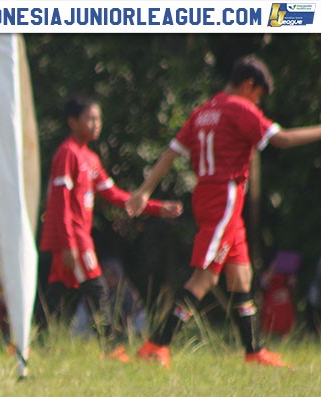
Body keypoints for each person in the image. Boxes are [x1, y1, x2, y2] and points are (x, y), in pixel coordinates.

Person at [128, 55, 321, 368]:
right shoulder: (240, 109)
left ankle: (254, 351)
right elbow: (282, 139)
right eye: (258, 95)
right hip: (225, 199)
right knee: (204, 277)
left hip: (208, 196)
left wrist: (144, 191)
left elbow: (171, 152)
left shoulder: (203, 111)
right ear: (248, 85)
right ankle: (157, 344)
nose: (257, 103)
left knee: (241, 276)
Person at [38, 96, 181, 362]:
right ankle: (111, 347)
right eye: (90, 118)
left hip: (78, 237)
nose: (96, 124)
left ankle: (26, 342)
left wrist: (157, 207)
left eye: (98, 119)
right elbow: (59, 202)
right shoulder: (67, 153)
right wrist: (68, 243)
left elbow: (115, 194)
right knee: (97, 289)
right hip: (74, 237)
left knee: (55, 292)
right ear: (73, 122)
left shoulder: (91, 159)